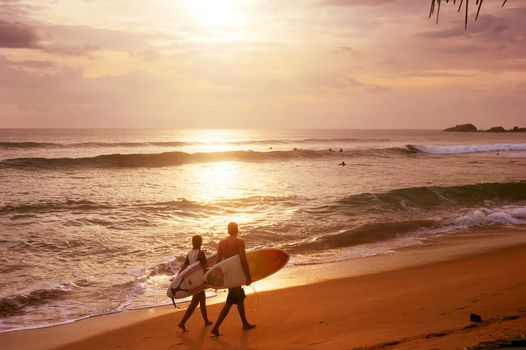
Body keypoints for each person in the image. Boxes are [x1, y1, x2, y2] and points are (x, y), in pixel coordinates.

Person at [211, 222, 255, 336]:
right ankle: (215, 327)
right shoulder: (239, 242)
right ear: (237, 230)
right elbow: (243, 260)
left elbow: (217, 262)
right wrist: (248, 276)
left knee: (239, 298)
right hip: (237, 274)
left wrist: (215, 280)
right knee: (230, 302)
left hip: (228, 274)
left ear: (228, 230)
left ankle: (245, 323)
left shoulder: (221, 243)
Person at [177, 235, 213, 332]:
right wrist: (208, 280)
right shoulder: (201, 254)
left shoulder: (189, 254)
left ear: (193, 243)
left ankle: (205, 321)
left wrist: (177, 277)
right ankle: (182, 322)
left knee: (200, 300)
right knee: (194, 303)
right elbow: (205, 268)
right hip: (200, 281)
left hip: (192, 281)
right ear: (201, 243)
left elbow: (184, 267)